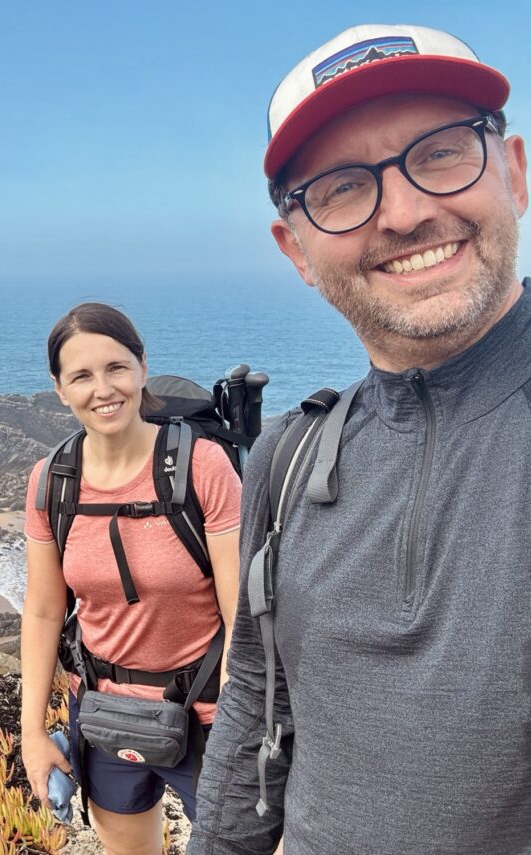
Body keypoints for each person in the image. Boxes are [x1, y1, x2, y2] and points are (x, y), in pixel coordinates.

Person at [190, 24, 531, 855]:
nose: (406, 212)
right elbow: (257, 700)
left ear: (515, 172)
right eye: (343, 187)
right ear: (297, 251)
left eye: (442, 152)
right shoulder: (288, 457)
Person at [21, 302, 241, 855]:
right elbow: (44, 610)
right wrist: (32, 736)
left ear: (143, 368)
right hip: (104, 714)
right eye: (81, 376)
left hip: (208, 714)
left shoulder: (203, 467)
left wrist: (241, 725)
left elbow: (241, 614)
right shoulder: (52, 482)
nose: (103, 389)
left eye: (116, 367)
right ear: (59, 389)